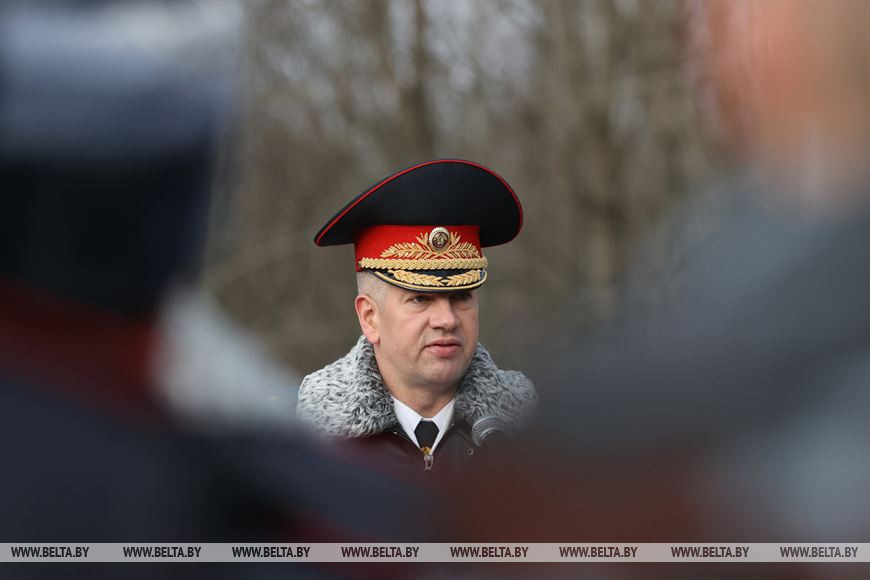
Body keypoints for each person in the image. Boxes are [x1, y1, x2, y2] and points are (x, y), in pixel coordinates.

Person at [297, 159, 537, 483]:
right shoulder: (306, 442)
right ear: (370, 318)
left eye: (461, 296)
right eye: (420, 299)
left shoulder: (530, 431)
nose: (446, 319)